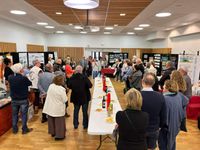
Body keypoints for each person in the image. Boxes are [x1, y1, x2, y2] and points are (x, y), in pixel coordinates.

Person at [141, 73, 166, 149]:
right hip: (154, 128)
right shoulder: (160, 96)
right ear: (154, 83)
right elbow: (163, 114)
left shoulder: (138, 95)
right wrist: (160, 126)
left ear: (142, 81)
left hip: (140, 128)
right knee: (152, 147)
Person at [158, 80, 186, 150]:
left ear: (168, 88)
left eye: (164, 86)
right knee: (172, 143)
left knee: (164, 145)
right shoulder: (179, 96)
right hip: (176, 125)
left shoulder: (164, 99)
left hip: (166, 128)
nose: (163, 87)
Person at [8, 63, 32, 134]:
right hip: (23, 99)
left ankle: (14, 129)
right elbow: (30, 83)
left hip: (14, 99)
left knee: (14, 114)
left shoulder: (10, 77)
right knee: (24, 114)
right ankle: (24, 129)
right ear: (20, 70)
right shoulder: (23, 78)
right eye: (22, 68)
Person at [43, 75, 67, 140]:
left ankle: (53, 132)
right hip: (58, 108)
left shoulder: (51, 86)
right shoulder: (61, 89)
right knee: (59, 122)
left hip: (50, 106)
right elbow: (65, 99)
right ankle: (59, 136)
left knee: (51, 120)